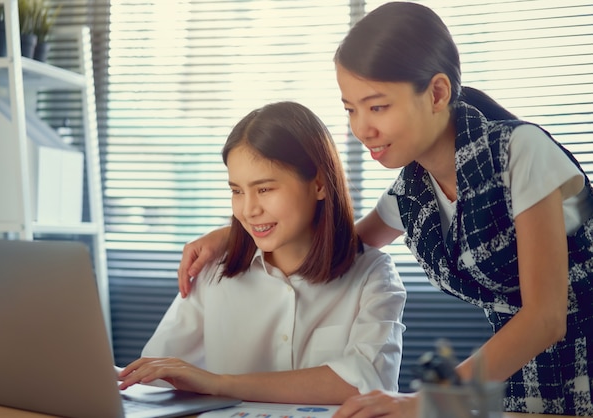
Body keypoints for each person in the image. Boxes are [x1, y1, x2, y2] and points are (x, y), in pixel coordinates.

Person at [176, 2, 593, 416]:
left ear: (437, 93)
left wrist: (429, 401)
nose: (361, 129)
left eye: (378, 107)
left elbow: (545, 317)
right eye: (350, 109)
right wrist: (235, 235)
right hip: (526, 383)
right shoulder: (411, 191)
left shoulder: (520, 152)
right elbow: (334, 243)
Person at [118, 101, 407, 404]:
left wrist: (219, 383)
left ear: (319, 183)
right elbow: (155, 375)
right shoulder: (213, 271)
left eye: (265, 189)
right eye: (237, 191)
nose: (249, 210)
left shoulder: (373, 275)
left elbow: (368, 383)